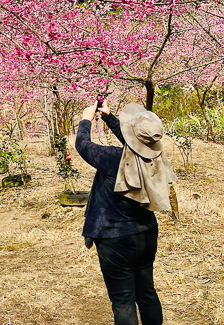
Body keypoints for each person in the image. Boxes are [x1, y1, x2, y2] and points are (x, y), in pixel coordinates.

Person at [75, 99, 175, 325]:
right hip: (146, 233)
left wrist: (85, 120)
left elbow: (82, 145)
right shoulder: (155, 157)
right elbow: (136, 142)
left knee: (123, 301)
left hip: (114, 239)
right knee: (147, 294)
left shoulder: (113, 159)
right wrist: (109, 117)